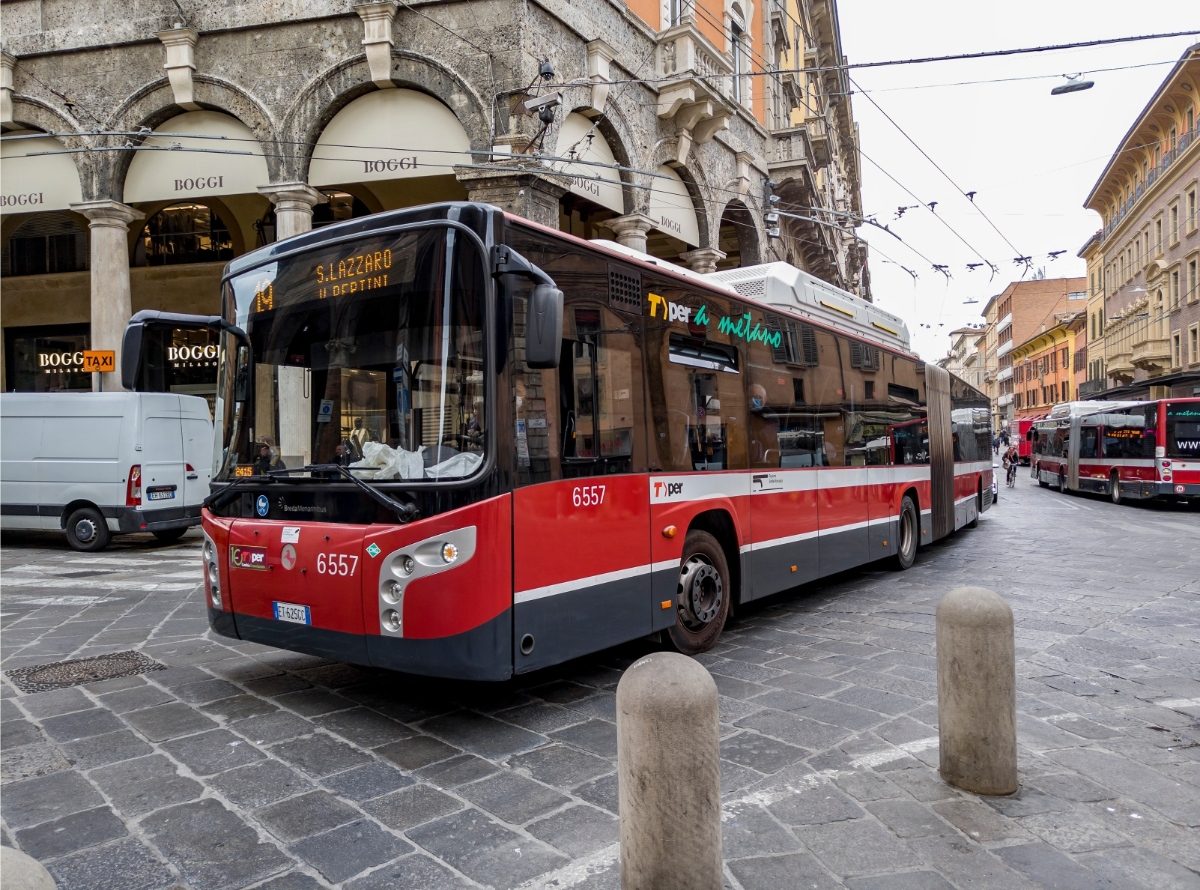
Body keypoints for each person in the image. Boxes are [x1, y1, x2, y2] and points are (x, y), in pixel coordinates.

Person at [748, 383, 779, 467]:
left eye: (759, 397)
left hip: (765, 460)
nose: (754, 400)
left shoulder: (770, 415)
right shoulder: (745, 413)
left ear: (765, 400)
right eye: (752, 397)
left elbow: (767, 436)